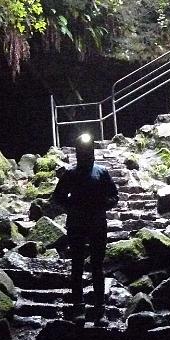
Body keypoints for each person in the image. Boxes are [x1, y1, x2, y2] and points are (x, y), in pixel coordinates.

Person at [51, 133, 118, 326]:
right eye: (84, 150)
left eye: (88, 150)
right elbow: (58, 197)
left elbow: (114, 195)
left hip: (97, 223)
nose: (86, 153)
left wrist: (104, 204)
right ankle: (78, 308)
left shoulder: (102, 172)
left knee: (97, 267)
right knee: (77, 266)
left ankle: (99, 310)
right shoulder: (71, 174)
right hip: (77, 223)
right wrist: (72, 205)